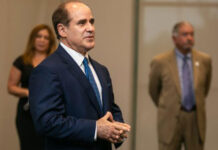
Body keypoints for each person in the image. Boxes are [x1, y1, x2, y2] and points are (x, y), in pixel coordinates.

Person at [29, 1, 131, 150]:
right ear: (62, 30)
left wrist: (117, 128)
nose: (90, 28)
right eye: (82, 23)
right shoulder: (47, 70)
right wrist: (95, 129)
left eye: (92, 22)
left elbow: (110, 108)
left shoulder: (101, 70)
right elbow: (47, 122)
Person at [149, 21, 212, 150]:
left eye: (191, 34)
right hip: (170, 118)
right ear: (174, 38)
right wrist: (167, 104)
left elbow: (204, 89)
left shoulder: (204, 60)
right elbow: (154, 91)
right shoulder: (160, 61)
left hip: (194, 118)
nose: (189, 38)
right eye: (184, 34)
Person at [7, 24, 56, 150]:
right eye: (38, 36)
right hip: (26, 115)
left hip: (50, 113)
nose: (42, 40)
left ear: (50, 42)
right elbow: (11, 87)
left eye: (46, 38)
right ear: (32, 39)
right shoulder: (22, 60)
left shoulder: (55, 62)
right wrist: (30, 93)